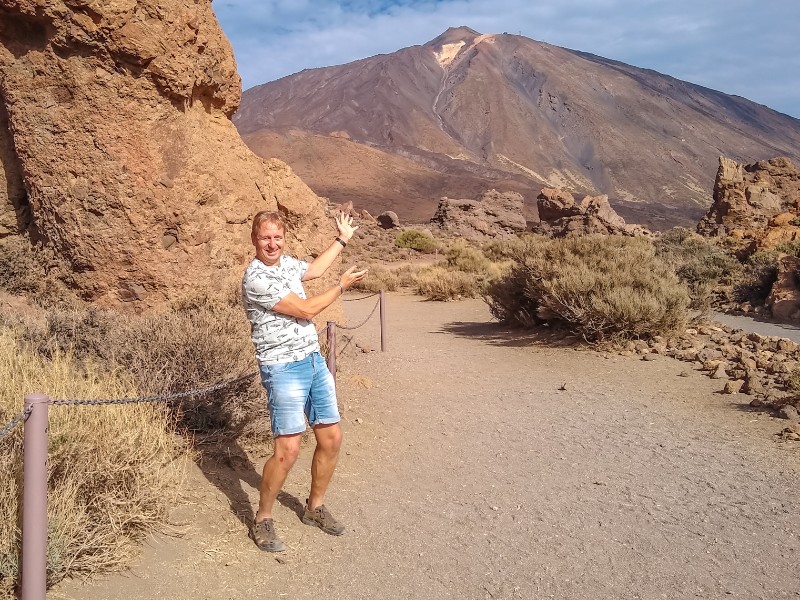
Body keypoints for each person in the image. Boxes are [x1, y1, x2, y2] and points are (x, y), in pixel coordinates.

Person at [241, 210, 367, 552]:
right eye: (265, 237)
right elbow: (307, 310)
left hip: (312, 361)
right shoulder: (256, 278)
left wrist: (341, 239)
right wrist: (341, 286)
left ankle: (314, 508)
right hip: (283, 368)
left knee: (331, 438)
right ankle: (263, 518)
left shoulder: (286, 265)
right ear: (254, 239)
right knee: (288, 449)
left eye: (277, 237)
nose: (272, 243)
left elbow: (312, 269)